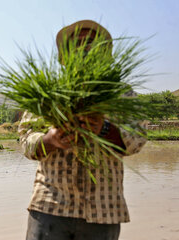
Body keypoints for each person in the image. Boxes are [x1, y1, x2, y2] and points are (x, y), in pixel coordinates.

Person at [20, 20, 147, 240]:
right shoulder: (48, 92)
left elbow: (137, 138)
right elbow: (26, 139)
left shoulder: (121, 93)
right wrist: (50, 139)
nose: (85, 48)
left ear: (103, 53)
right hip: (50, 207)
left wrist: (103, 129)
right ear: (66, 54)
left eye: (91, 43)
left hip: (103, 210)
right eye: (77, 43)